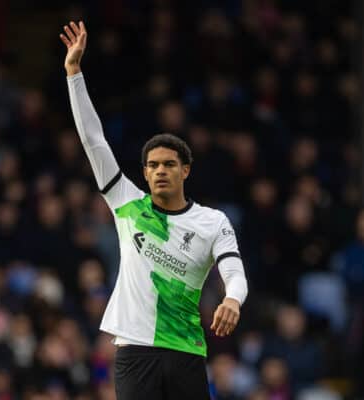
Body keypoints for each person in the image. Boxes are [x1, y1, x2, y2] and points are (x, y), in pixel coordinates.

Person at [60, 21, 248, 399]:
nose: (161, 170)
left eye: (169, 164)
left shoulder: (212, 221)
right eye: (153, 165)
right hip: (134, 350)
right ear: (144, 173)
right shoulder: (126, 202)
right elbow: (93, 140)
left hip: (186, 351)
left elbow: (234, 271)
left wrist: (232, 299)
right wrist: (74, 74)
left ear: (186, 170)